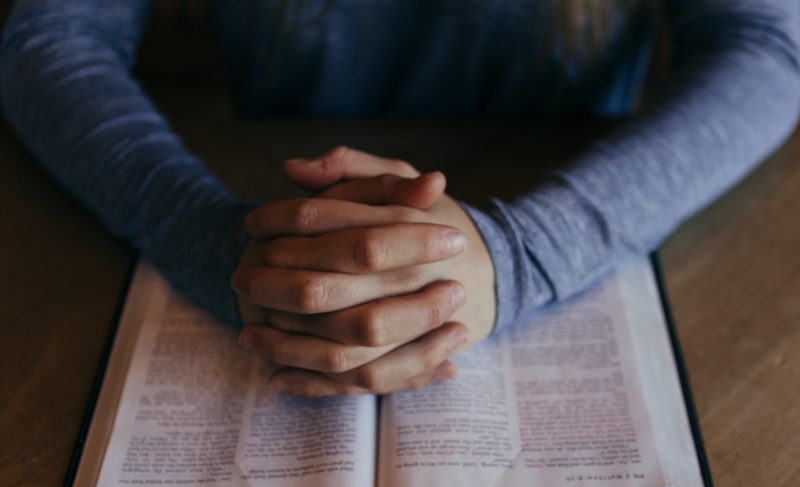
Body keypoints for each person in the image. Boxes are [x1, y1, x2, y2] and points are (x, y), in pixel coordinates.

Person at [1, 0, 798, 396]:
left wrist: (521, 254)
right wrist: (218, 240)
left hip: (567, 184)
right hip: (273, 193)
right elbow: (49, 38)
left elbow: (768, 44)